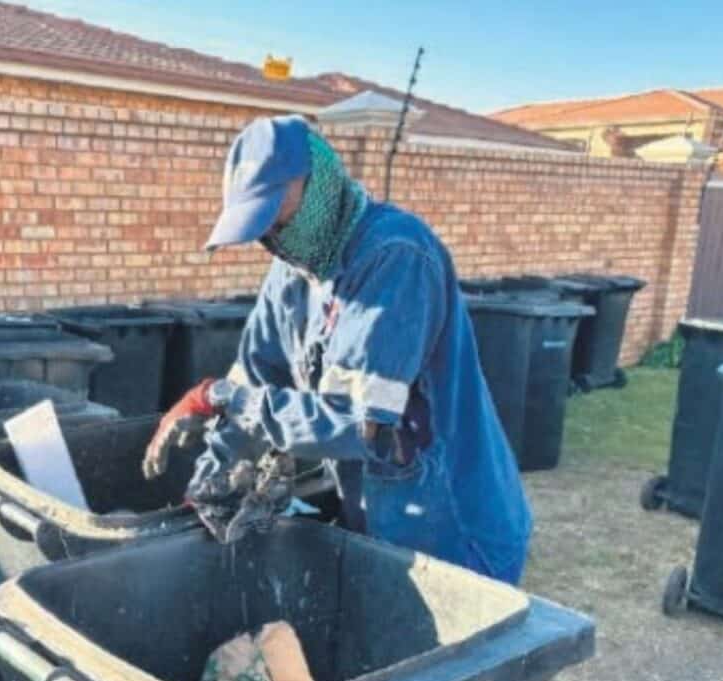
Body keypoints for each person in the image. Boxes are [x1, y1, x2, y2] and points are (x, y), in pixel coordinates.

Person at [142, 115, 532, 584]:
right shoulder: (293, 268)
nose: (273, 239)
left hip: (451, 526)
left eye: (274, 217)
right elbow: (257, 376)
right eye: (260, 229)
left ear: (320, 183)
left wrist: (223, 398)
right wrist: (211, 478)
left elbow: (357, 422)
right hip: (376, 514)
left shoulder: (397, 256)